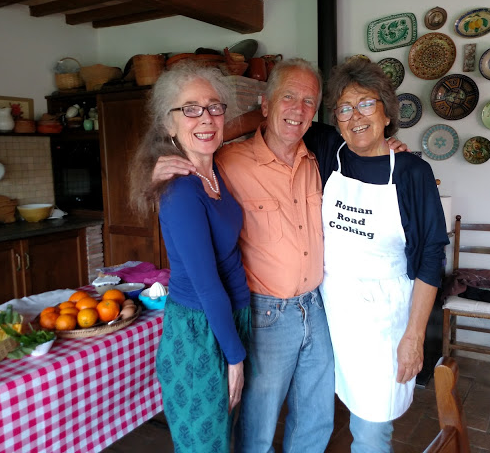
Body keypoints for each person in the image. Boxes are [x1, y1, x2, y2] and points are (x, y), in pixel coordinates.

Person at [152, 58, 408, 453]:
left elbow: (366, 151)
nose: (299, 109)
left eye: (309, 101)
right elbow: (192, 155)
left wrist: (384, 148)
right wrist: (153, 172)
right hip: (267, 313)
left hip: (317, 308)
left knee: (316, 417)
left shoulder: (323, 158)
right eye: (288, 97)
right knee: (258, 426)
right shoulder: (227, 162)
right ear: (265, 105)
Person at [305, 58, 449, 453]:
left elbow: (431, 257)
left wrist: (414, 337)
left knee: (370, 428)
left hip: (382, 323)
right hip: (329, 316)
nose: (356, 117)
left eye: (366, 104)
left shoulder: (411, 172)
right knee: (319, 407)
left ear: (387, 113)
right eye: (345, 109)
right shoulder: (328, 150)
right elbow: (279, 115)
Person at [128, 62, 251, 453]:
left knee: (220, 438)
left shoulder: (214, 172)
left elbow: (266, 122)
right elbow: (206, 284)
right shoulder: (181, 191)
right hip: (200, 332)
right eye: (191, 109)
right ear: (169, 125)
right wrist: (234, 358)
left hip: (227, 319)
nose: (206, 118)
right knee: (205, 446)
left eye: (215, 107)